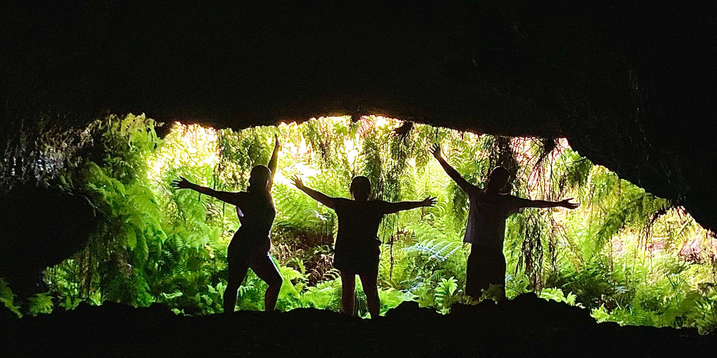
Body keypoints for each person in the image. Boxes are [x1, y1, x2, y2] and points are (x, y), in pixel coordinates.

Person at [431, 144, 579, 299]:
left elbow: (457, 177)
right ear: (501, 183)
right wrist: (559, 203)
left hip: (483, 253)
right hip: (488, 253)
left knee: (480, 296)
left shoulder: (483, 197)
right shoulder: (499, 200)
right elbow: (533, 203)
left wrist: (559, 203)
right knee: (489, 295)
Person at [292, 175, 435, 318]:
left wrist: (303, 187)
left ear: (352, 190)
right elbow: (399, 206)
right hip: (367, 254)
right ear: (369, 192)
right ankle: (374, 321)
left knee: (349, 290)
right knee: (370, 290)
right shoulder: (375, 207)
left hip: (347, 253)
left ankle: (350, 320)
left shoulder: (344, 205)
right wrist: (421, 203)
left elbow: (321, 198)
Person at [171, 135, 282, 312]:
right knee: (234, 284)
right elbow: (215, 193)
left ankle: (267, 315)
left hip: (257, 249)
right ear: (259, 180)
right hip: (243, 247)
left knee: (275, 282)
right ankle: (228, 318)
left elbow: (271, 169)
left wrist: (276, 150)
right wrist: (191, 186)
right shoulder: (246, 198)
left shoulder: (264, 193)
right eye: (265, 178)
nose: (269, 179)